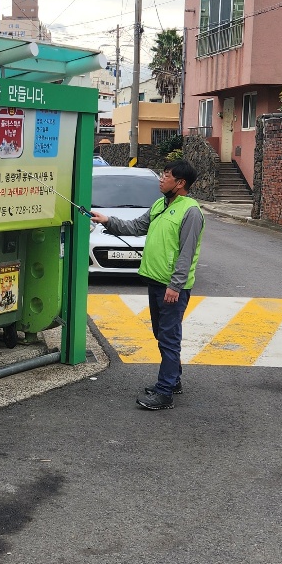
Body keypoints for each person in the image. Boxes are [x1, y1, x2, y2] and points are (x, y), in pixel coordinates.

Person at [88, 160, 205, 410]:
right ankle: (172, 380)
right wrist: (106, 219)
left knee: (169, 338)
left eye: (166, 176)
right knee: (161, 334)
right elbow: (135, 227)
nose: (161, 180)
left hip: (172, 287)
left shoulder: (191, 211)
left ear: (180, 183)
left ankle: (165, 393)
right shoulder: (160, 204)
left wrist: (176, 285)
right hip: (155, 281)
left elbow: (187, 253)